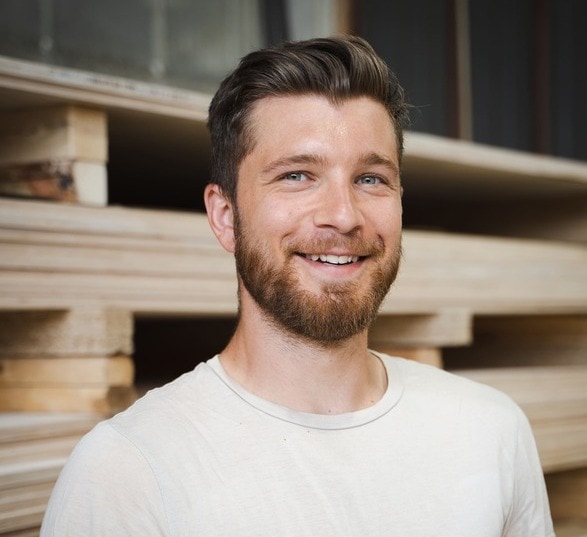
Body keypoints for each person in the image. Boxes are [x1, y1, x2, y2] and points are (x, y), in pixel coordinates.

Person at [41, 35, 554, 536]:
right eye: (297, 176)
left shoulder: (490, 432)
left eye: (371, 178)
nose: (343, 215)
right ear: (225, 216)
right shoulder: (127, 472)